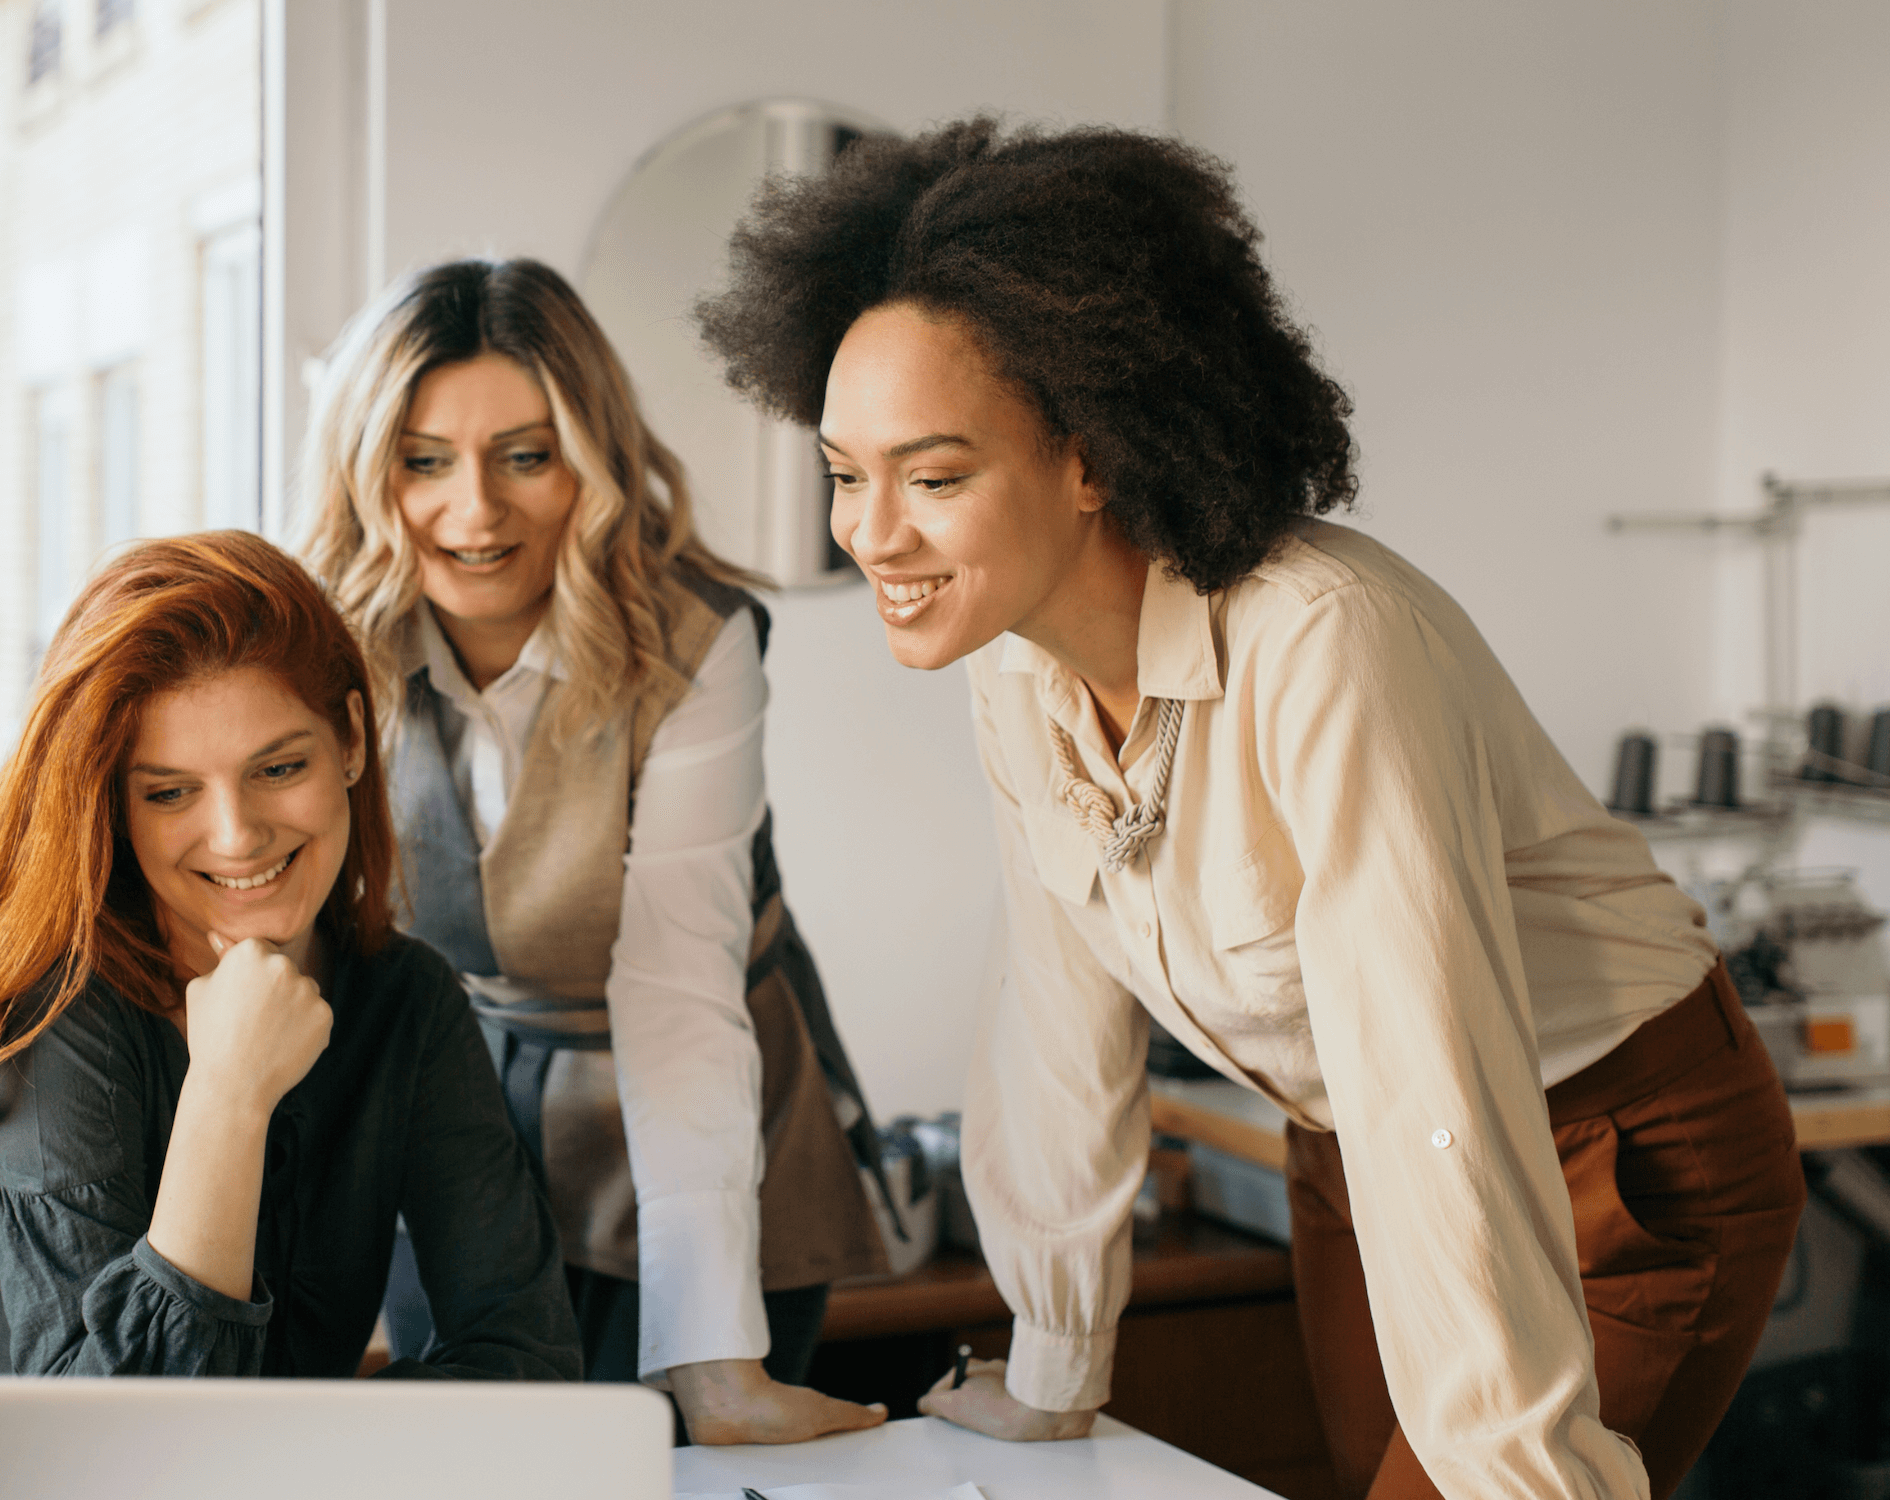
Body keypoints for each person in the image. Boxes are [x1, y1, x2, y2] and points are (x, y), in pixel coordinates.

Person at [694, 117, 1805, 1498]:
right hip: (1354, 1149)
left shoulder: (1323, 641)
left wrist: (1512, 1465)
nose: (870, 534)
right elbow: (1055, 1005)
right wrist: (1052, 1363)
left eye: (932, 477)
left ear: (1088, 453)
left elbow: (1427, 1067)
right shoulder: (1015, 666)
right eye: (844, 478)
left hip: (1613, 1145)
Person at [297, 258, 891, 1444]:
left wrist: (714, 1366)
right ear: (371, 475)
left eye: (527, 454)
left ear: (594, 458)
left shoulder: (695, 641)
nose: (474, 512)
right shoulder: (320, 640)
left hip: (705, 1098)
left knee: (679, 1464)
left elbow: (673, 988)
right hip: (464, 1104)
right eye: (424, 461)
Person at [0, 531, 580, 1381]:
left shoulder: (409, 1002)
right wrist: (229, 1093)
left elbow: (528, 1361)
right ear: (113, 806)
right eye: (169, 792)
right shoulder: (55, 1013)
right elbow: (116, 1453)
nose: (237, 835)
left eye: (278, 767)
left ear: (351, 739)